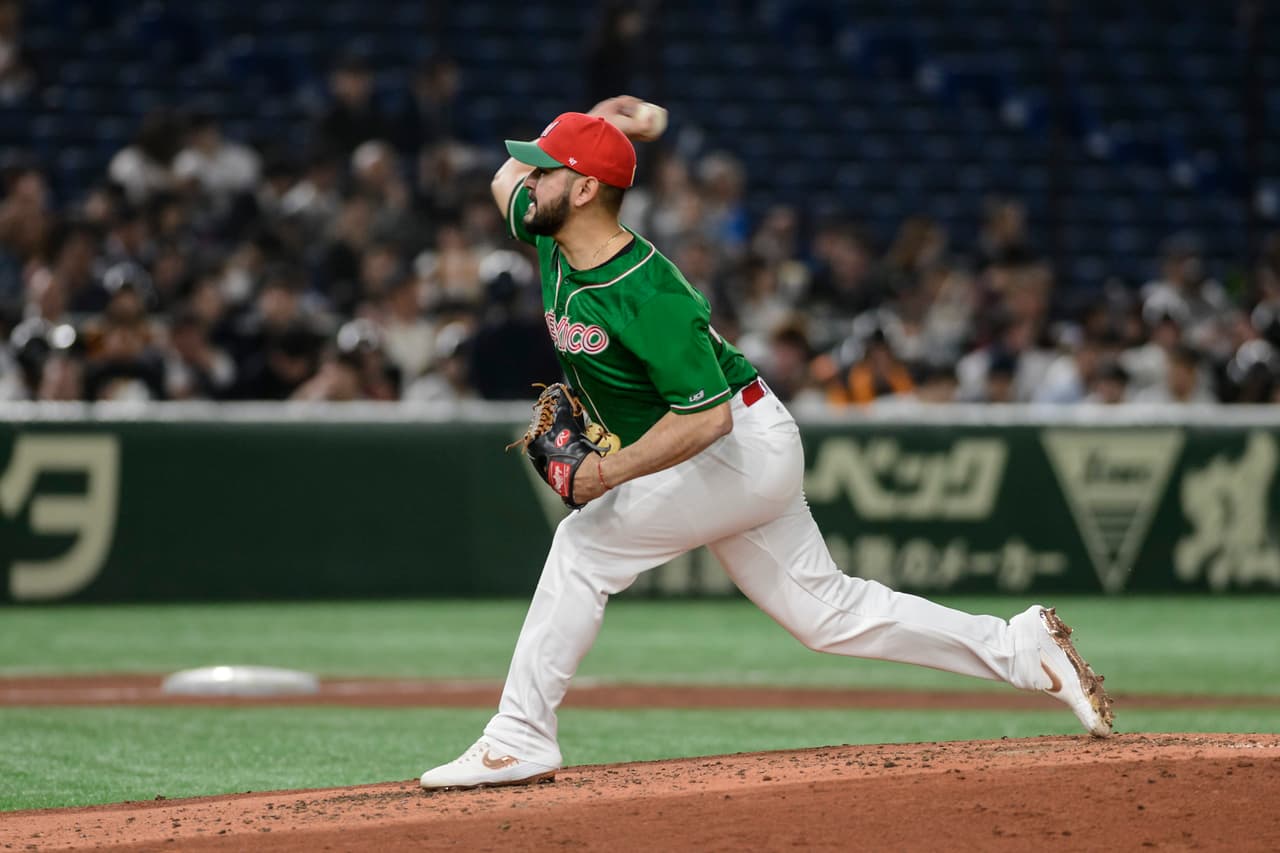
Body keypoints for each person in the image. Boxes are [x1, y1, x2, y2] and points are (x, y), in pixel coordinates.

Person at [418, 96, 1114, 790]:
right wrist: (594, 121)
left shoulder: (649, 293)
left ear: (585, 188)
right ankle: (1020, 648)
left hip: (736, 445)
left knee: (583, 546)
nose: (527, 180)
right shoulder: (550, 230)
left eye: (547, 170)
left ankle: (518, 736)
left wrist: (605, 475)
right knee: (826, 613)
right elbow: (500, 180)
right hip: (743, 441)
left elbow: (706, 419)